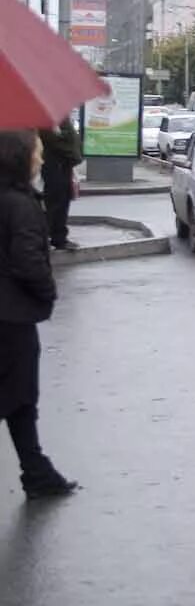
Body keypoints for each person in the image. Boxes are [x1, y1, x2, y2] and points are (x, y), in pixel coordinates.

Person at [0, 130, 78, 499]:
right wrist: (48, 292)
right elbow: (29, 260)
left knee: (18, 398)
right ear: (21, 158)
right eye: (37, 153)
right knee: (18, 396)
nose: (41, 160)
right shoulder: (20, 204)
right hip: (11, 317)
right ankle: (36, 471)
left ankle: (37, 471)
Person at [38, 118, 82, 251]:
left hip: (63, 164)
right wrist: (72, 153)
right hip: (54, 164)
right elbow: (54, 139)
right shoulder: (47, 116)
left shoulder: (60, 115)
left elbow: (72, 139)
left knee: (62, 199)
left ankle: (59, 237)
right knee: (54, 201)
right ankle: (50, 237)